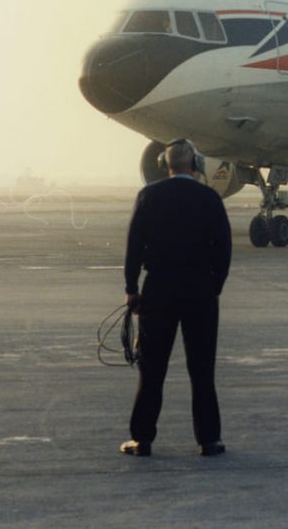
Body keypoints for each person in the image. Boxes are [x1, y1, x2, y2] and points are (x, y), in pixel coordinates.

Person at [119, 139, 232, 457]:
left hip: (159, 291)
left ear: (163, 165)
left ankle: (142, 440)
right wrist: (214, 286)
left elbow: (133, 248)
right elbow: (223, 250)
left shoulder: (148, 196)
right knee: (202, 371)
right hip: (200, 292)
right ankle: (209, 440)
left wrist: (132, 289)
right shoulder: (209, 198)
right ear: (195, 164)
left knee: (152, 370)